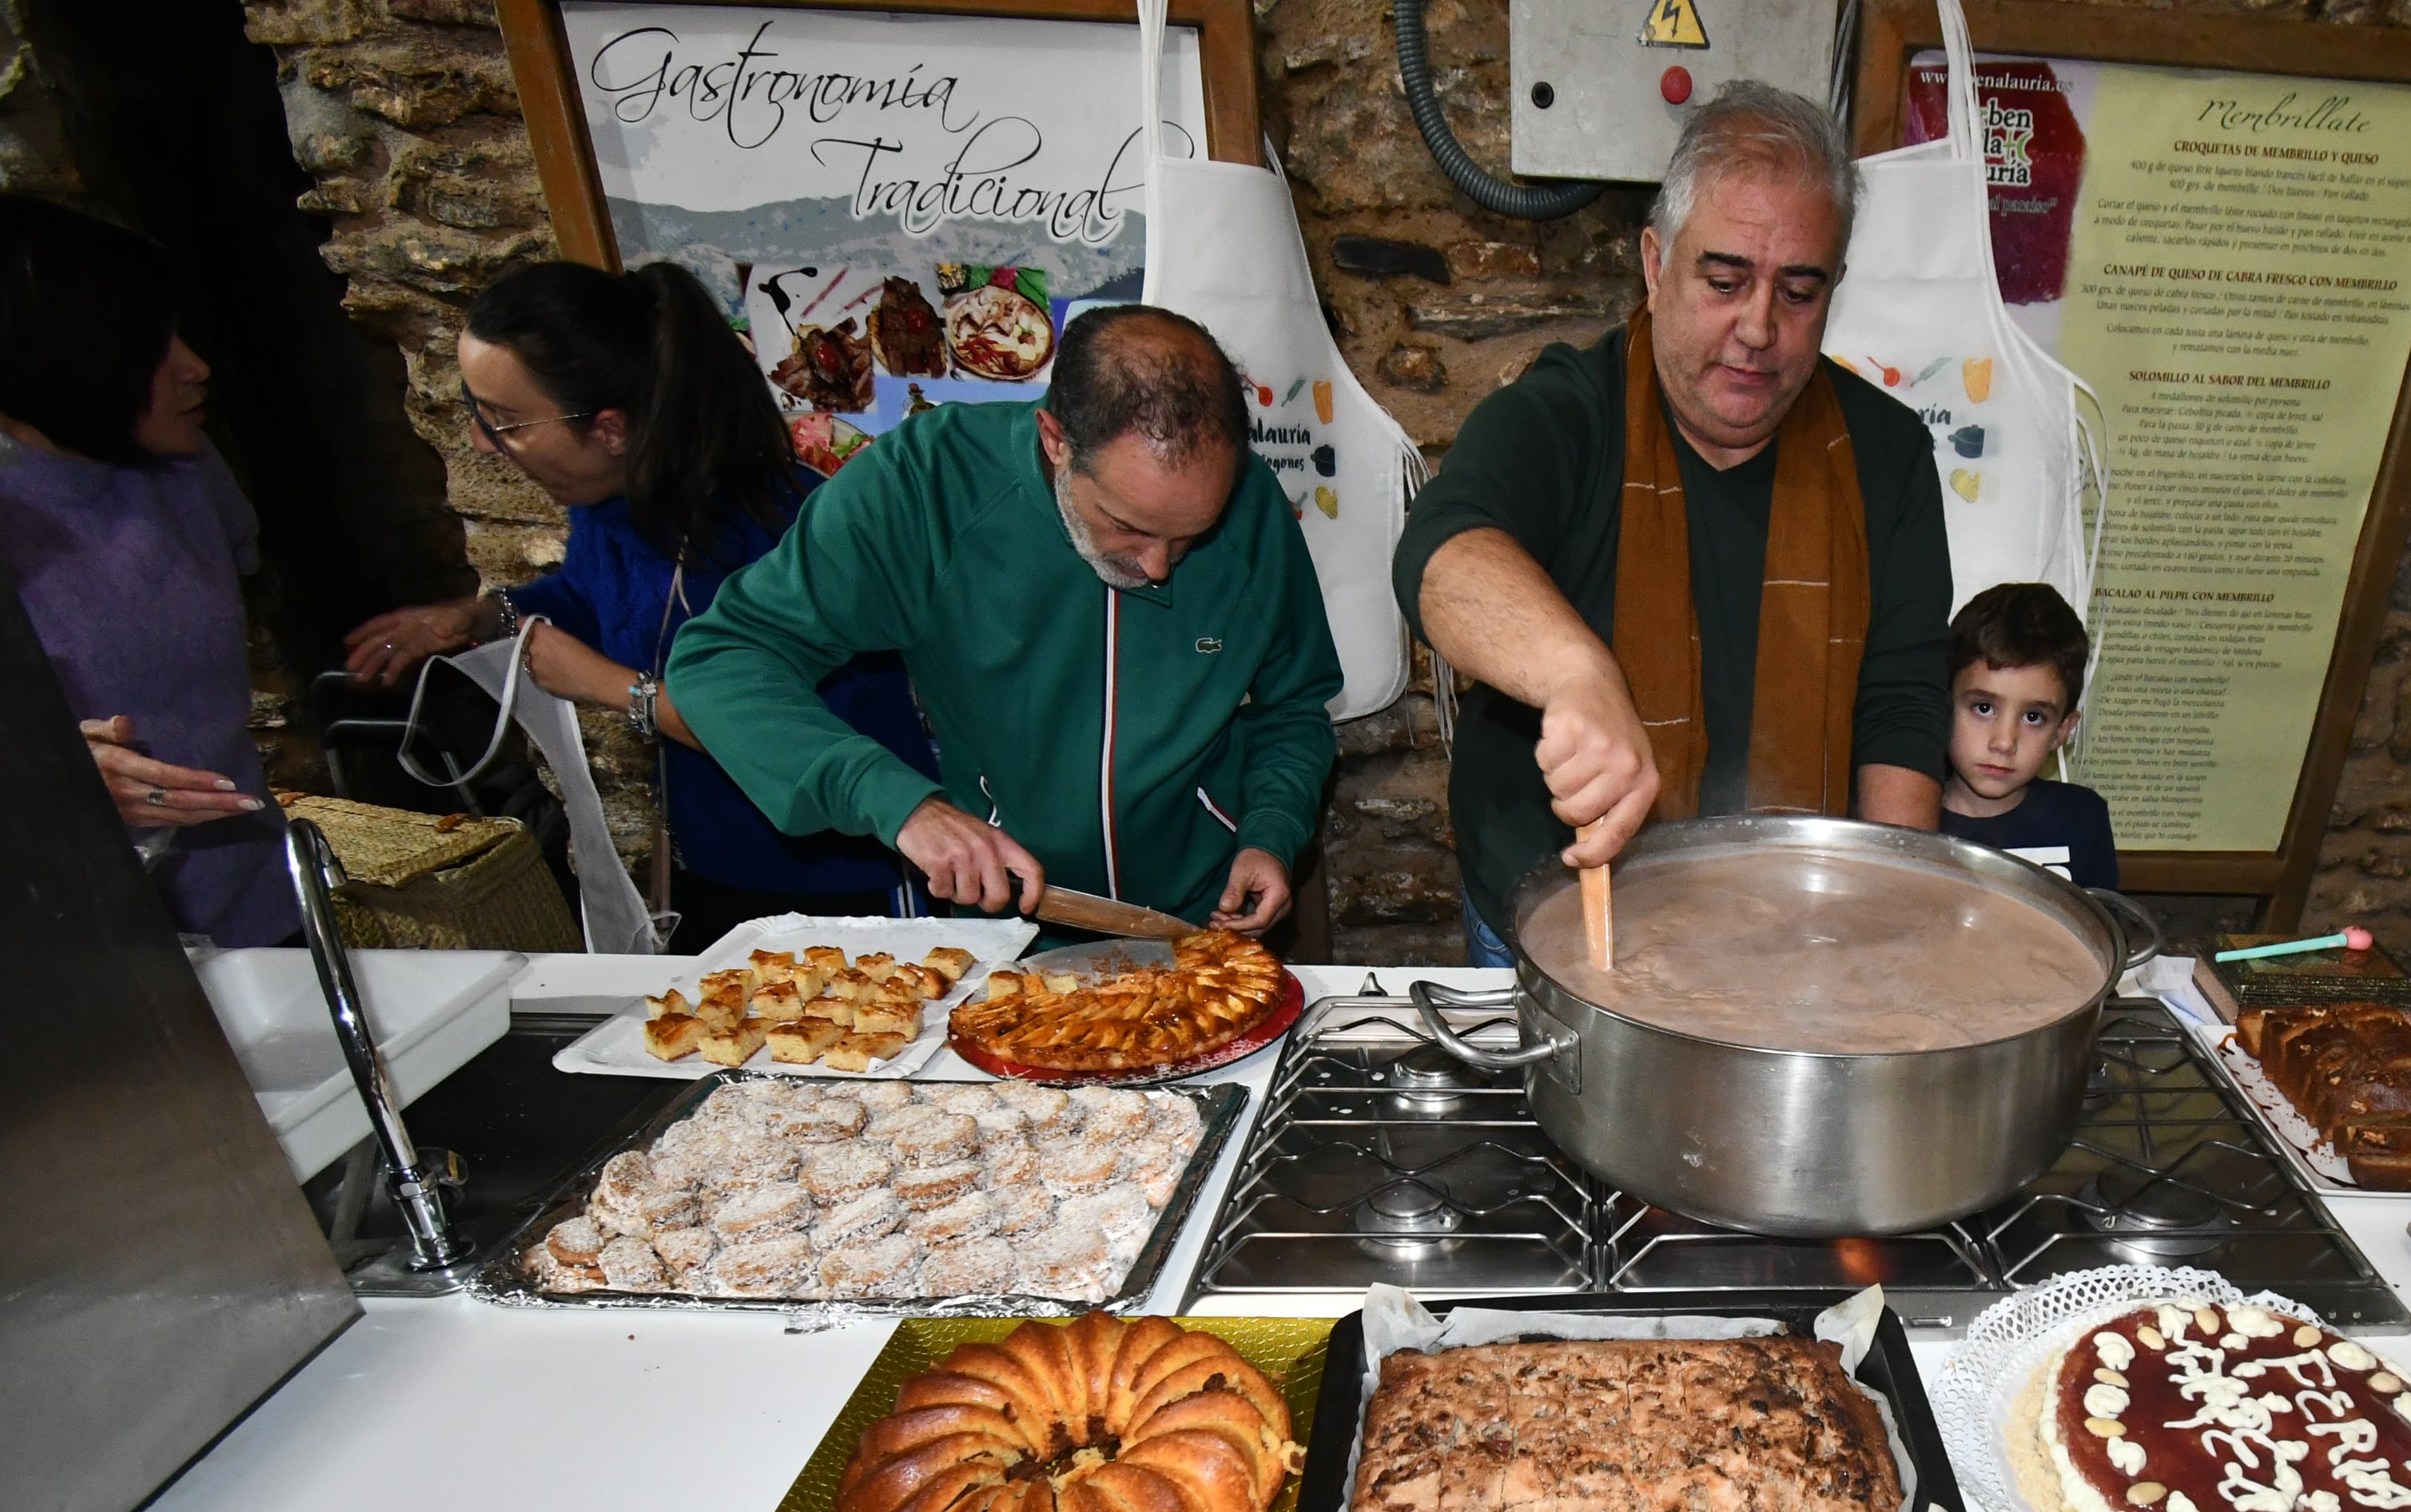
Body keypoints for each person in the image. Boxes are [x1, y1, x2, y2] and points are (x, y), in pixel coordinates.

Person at [1394, 83, 1954, 964]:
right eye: (1724, 280)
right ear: (1655, 265)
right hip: (1550, 921)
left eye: (1800, 292)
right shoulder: (1567, 413)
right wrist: (1578, 674)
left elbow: (1903, 704)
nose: (1758, 328)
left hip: (1792, 930)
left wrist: (1882, 926)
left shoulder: (1884, 454)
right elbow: (1444, 554)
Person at [664, 306, 1338, 934]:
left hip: (1199, 925)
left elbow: (1294, 705)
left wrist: (1269, 831)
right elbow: (723, 661)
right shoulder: (926, 486)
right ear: (1055, 439)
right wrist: (897, 802)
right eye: (1129, 527)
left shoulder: (1250, 502)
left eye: (1194, 534)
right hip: (1013, 933)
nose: (1159, 567)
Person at [344, 260, 937, 953]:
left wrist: (603, 683)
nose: (480, 440)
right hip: (718, 860)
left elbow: (795, 736)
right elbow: (593, 600)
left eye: (503, 421)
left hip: (842, 882)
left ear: (611, 430)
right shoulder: (614, 506)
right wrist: (486, 616)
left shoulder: (781, 534)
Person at [0, 197, 288, 944]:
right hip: (102, 953)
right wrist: (48, 785)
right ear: (59, 359)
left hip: (263, 904)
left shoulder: (182, 465)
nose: (197, 367)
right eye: (149, 345)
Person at [1934, 581, 2115, 889]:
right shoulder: (1903, 814)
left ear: (2062, 731)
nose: (2004, 742)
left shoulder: (2083, 821)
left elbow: (2099, 933)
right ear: (1941, 705)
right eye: (1983, 708)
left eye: (2033, 717)